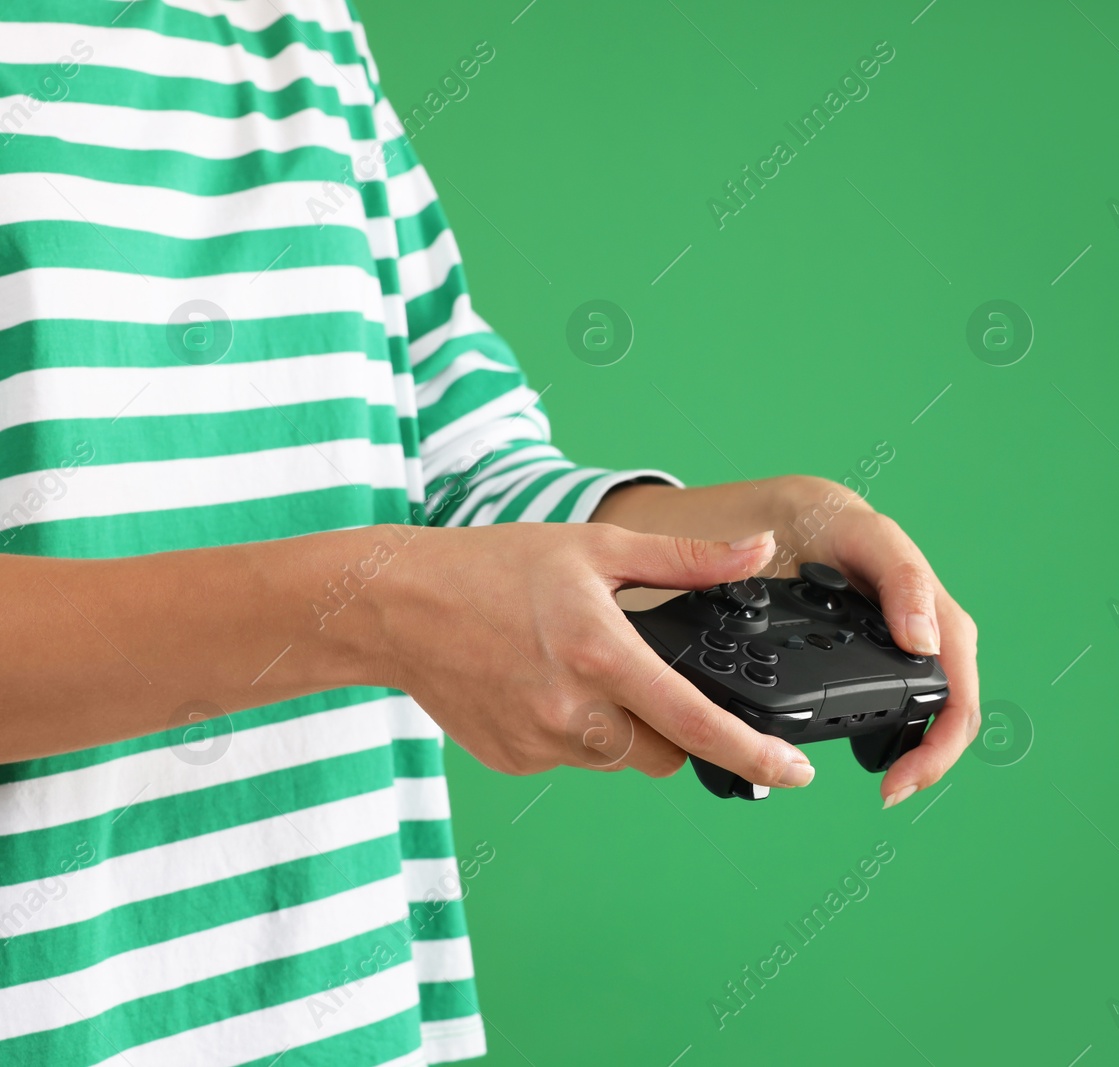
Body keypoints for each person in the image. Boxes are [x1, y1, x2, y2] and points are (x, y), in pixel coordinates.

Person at [0, 3, 979, 1063]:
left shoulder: (296, 22)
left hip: (340, 1011)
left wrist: (733, 538)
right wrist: (367, 611)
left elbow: (450, 454)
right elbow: (398, 573)